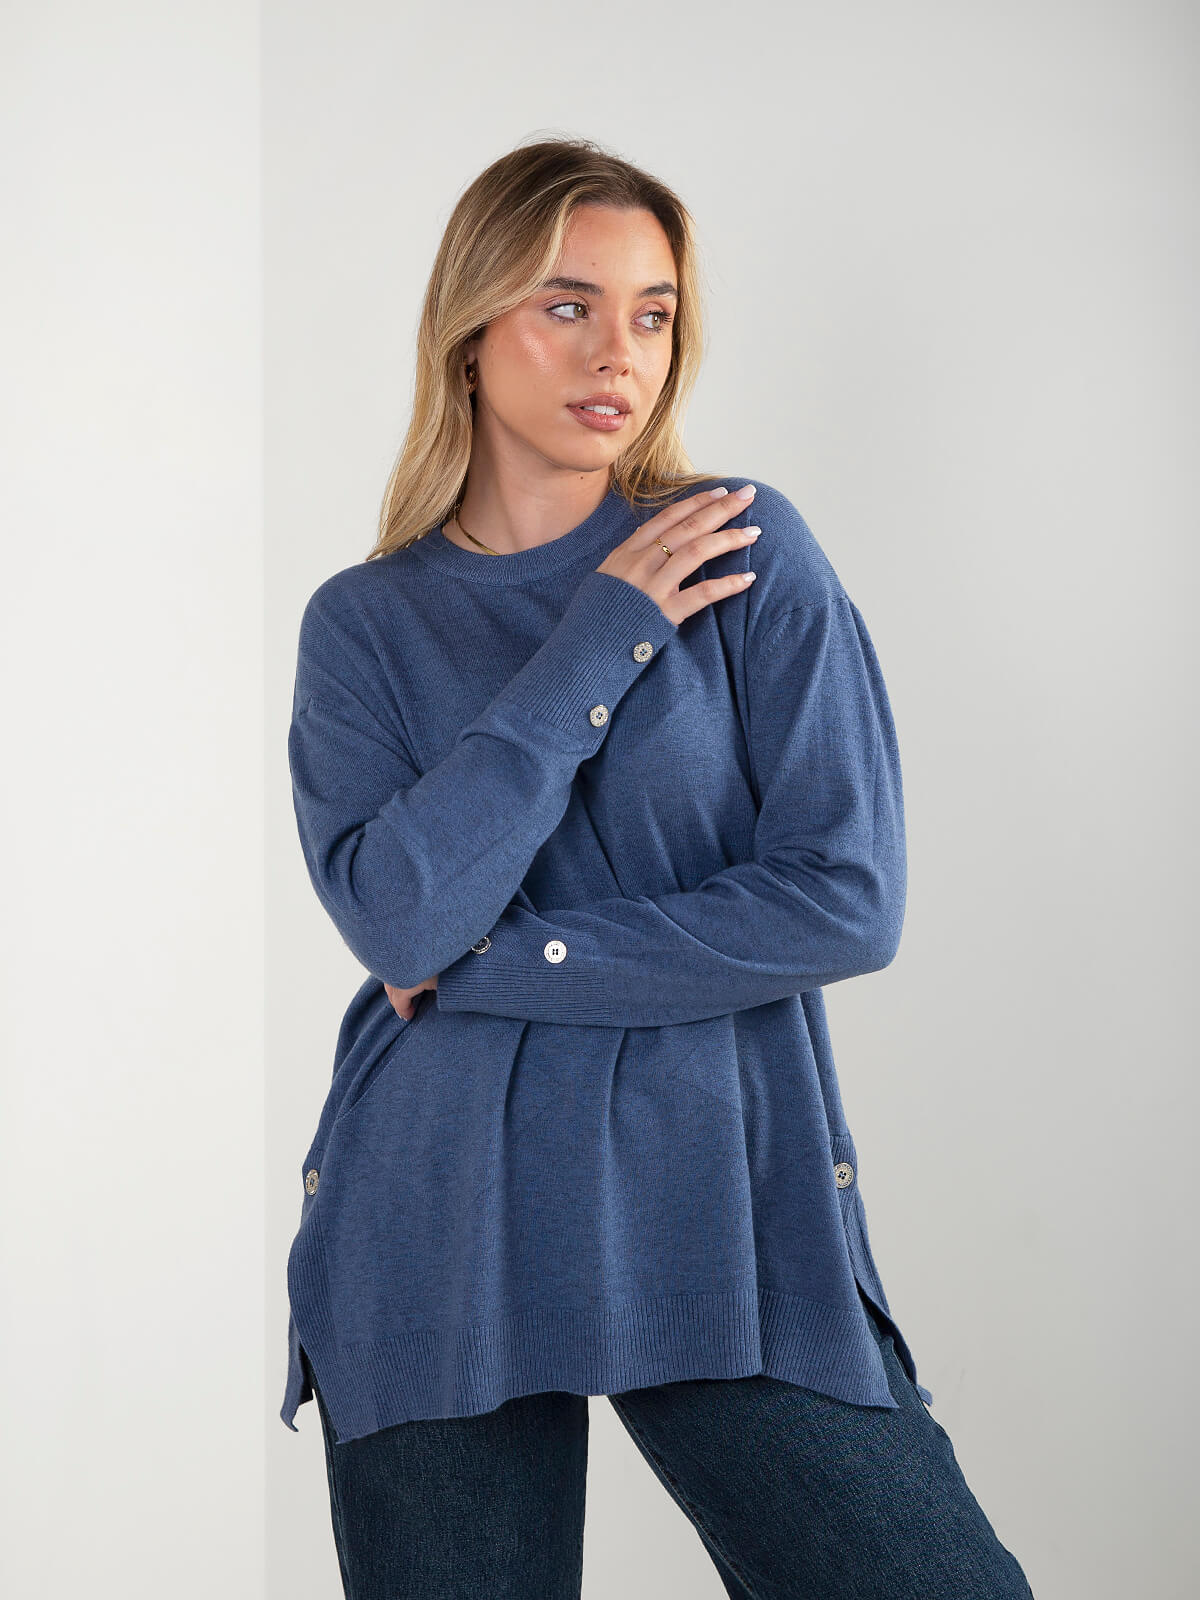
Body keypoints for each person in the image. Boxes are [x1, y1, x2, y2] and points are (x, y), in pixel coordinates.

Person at [280, 135, 1035, 1599]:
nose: (616, 351)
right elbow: (396, 917)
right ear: (469, 330)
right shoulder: (363, 625)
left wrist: (505, 963)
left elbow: (847, 898)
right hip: (438, 1213)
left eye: (653, 312)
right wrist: (602, 635)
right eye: (567, 305)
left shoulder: (743, 548)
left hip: (718, 1201)